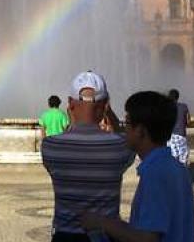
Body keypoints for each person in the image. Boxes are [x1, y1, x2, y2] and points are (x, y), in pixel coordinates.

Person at [81, 91, 194, 242]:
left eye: (127, 123)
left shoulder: (155, 174)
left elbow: (147, 238)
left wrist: (101, 223)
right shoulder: (177, 168)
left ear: (141, 131)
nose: (125, 129)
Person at [41, 71, 135, 242]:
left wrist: (73, 121)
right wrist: (110, 114)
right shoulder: (120, 146)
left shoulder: (50, 146)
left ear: (70, 104)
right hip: (106, 235)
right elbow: (127, 136)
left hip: (65, 236)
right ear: (105, 105)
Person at [166, 89, 190, 166]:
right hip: (180, 135)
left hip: (170, 136)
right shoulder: (184, 106)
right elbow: (188, 121)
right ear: (178, 97)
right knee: (183, 158)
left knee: (172, 158)